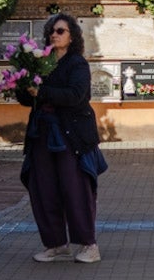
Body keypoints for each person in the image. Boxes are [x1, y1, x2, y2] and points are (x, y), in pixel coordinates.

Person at [18, 13, 107, 263]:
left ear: (71, 36)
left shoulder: (77, 64)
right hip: (41, 134)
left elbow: (76, 95)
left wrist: (42, 91)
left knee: (74, 188)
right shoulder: (40, 62)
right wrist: (21, 88)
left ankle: (89, 244)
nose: (54, 35)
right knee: (43, 188)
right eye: (51, 31)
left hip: (71, 135)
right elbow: (30, 99)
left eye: (60, 31)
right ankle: (56, 243)